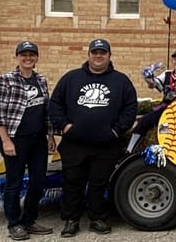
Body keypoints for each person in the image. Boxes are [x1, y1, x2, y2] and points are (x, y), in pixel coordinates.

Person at [48, 39, 137, 237]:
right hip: (74, 143)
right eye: (95, 52)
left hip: (106, 144)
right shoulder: (71, 78)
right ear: (88, 55)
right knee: (72, 182)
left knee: (99, 183)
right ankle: (71, 220)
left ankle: (97, 219)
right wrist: (64, 126)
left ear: (109, 56)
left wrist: (116, 131)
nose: (98, 56)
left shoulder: (120, 80)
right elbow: (55, 104)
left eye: (102, 53)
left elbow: (130, 108)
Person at [0, 41, 56, 240]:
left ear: (36, 58)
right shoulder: (6, 80)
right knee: (15, 182)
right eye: (24, 55)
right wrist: (6, 141)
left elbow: (46, 111)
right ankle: (14, 224)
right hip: (15, 139)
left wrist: (50, 135)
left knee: (38, 182)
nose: (28, 58)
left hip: (37, 140)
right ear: (17, 57)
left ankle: (29, 220)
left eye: (32, 55)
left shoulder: (41, 80)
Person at [126, 49, 176, 151]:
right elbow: (154, 85)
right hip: (166, 106)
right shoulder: (167, 73)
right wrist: (148, 78)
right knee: (144, 121)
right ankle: (129, 150)